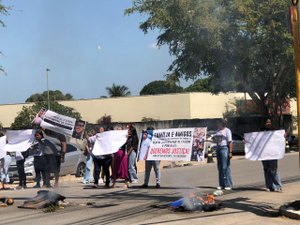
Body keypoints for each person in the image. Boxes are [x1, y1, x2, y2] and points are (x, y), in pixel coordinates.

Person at [261, 118, 282, 192]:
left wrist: (284, 135)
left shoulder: (275, 131)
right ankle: (269, 186)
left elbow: (280, 138)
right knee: (266, 170)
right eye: (267, 122)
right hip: (264, 154)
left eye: (269, 122)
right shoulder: (261, 132)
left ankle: (277, 186)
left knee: (273, 170)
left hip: (273, 154)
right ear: (264, 123)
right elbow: (255, 140)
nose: (268, 123)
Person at [213, 119, 233, 190]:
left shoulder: (227, 130)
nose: (217, 124)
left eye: (219, 123)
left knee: (225, 167)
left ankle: (228, 184)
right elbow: (214, 140)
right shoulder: (217, 131)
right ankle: (221, 184)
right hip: (218, 148)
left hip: (224, 148)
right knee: (220, 167)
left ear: (222, 124)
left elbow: (230, 142)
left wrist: (230, 152)